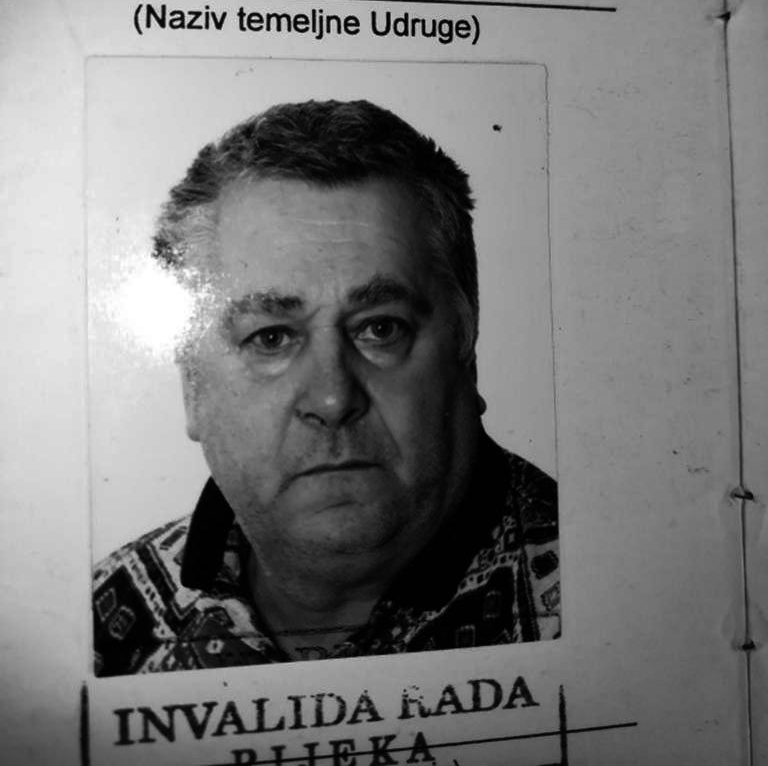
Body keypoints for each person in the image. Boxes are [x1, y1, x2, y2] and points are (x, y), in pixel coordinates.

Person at [92, 99, 559, 676]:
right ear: (192, 388)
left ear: (467, 351)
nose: (334, 400)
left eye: (380, 329)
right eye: (270, 338)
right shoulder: (101, 622)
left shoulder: (609, 593)